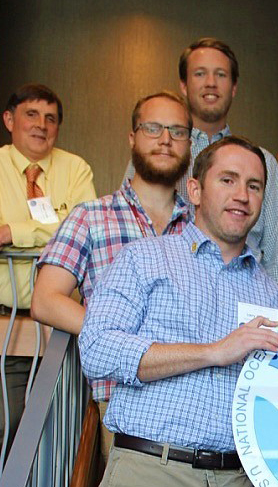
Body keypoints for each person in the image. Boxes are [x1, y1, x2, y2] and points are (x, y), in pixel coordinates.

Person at [80, 136, 278, 487]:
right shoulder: (143, 259)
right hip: (151, 481)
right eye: (228, 180)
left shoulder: (274, 296)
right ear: (195, 190)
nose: (242, 195)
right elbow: (97, 350)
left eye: (255, 186)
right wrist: (216, 351)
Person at [31, 91, 192, 460]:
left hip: (191, 398)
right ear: (132, 138)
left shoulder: (200, 227)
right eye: (153, 128)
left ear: (189, 144)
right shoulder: (90, 216)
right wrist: (122, 341)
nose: (165, 139)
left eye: (177, 131)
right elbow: (46, 299)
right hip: (119, 398)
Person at [0, 83, 95, 487]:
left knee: (50, 433)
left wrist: (14, 232)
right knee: (1, 426)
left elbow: (83, 228)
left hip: (56, 326)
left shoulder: (75, 169)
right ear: (9, 120)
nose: (41, 125)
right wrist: (52, 228)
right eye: (32, 115)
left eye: (51, 118)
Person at [125, 37, 278, 311]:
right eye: (200, 73)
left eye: (221, 75)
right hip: (168, 307)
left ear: (234, 88)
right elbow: (127, 226)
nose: (210, 83)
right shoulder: (160, 152)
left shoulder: (262, 162)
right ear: (183, 85)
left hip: (244, 307)